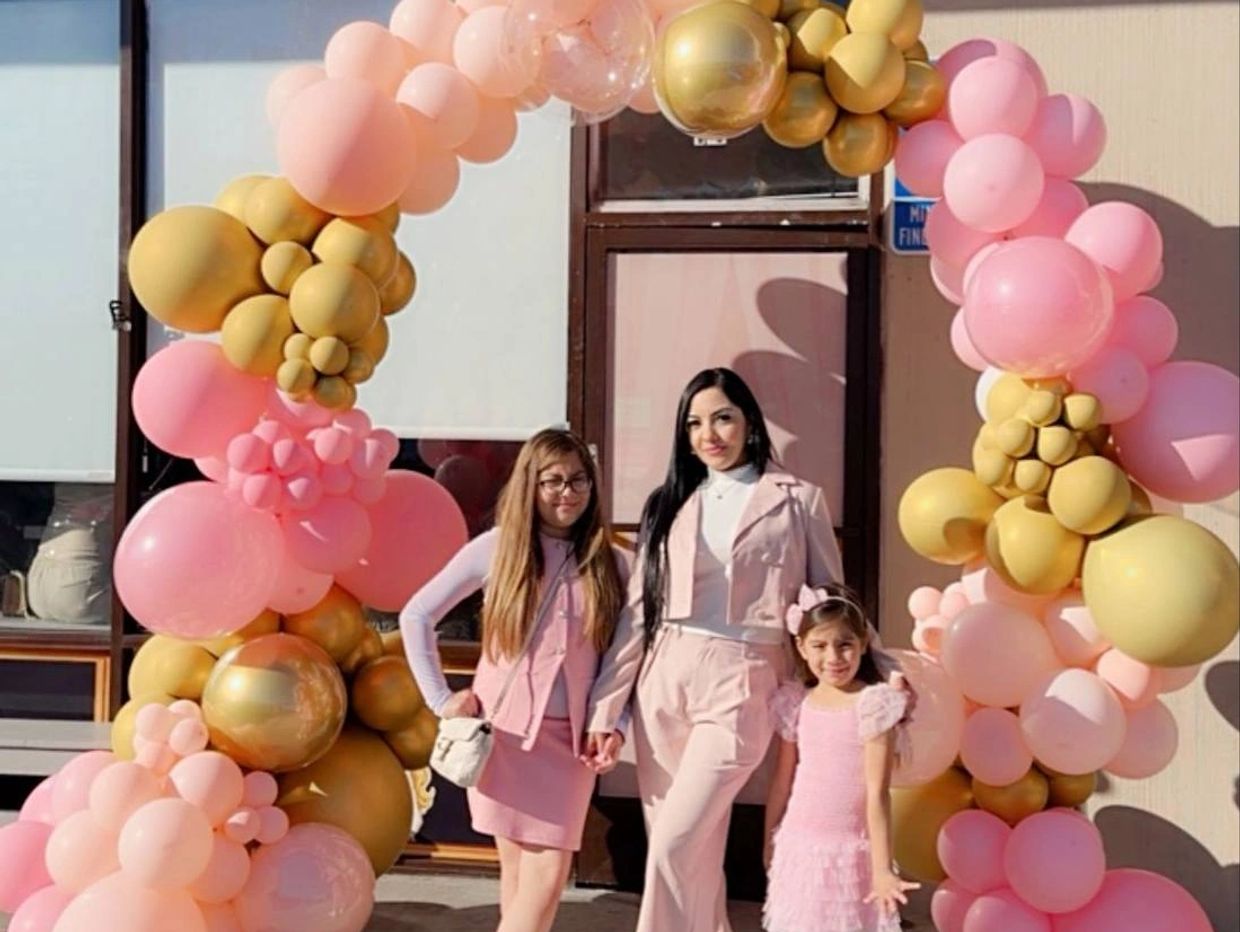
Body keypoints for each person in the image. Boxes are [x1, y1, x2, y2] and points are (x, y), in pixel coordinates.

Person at [584, 366, 890, 932]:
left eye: (722, 417)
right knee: (689, 853)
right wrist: (608, 709)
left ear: (749, 423)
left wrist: (883, 670)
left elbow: (832, 603)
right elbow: (636, 613)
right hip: (663, 677)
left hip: (746, 677)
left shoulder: (799, 501)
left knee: (675, 844)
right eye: (695, 423)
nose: (710, 434)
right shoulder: (668, 502)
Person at [400, 428, 627, 932]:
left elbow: (627, 657)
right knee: (522, 878)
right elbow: (416, 615)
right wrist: (441, 700)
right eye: (552, 481)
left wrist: (617, 722)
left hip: (571, 747)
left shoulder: (612, 563)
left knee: (546, 876)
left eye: (578, 481)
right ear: (530, 484)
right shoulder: (497, 548)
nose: (567, 493)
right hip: (501, 737)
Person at [763, 585, 918, 932]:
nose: (833, 657)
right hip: (799, 845)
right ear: (802, 648)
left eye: (844, 644)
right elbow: (782, 781)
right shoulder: (796, 704)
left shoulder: (873, 705)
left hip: (851, 852)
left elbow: (878, 794)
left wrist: (881, 869)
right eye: (819, 645)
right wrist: (769, 840)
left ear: (863, 644)